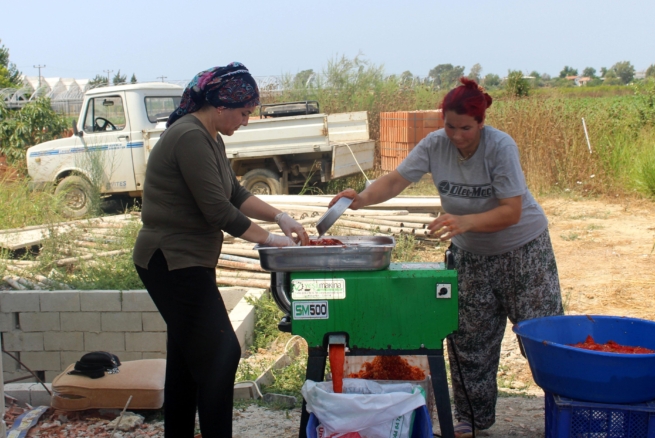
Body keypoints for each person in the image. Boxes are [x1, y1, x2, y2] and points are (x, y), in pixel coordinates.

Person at [330, 77, 563, 437]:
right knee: (469, 341)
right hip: (471, 256)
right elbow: (395, 180)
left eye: (466, 128)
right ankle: (472, 418)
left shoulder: (500, 147)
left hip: (523, 252)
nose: (456, 135)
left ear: (482, 122)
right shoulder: (435, 144)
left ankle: (563, 411)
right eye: (450, 126)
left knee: (543, 337)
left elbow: (511, 211)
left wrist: (464, 220)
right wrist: (359, 197)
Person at [133, 62, 309, 437]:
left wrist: (281, 217)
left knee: (187, 358)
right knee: (220, 354)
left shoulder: (211, 137)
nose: (246, 121)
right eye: (244, 112)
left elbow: (235, 194)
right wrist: (271, 241)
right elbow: (218, 210)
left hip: (187, 260)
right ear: (221, 105)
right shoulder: (189, 136)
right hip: (171, 260)